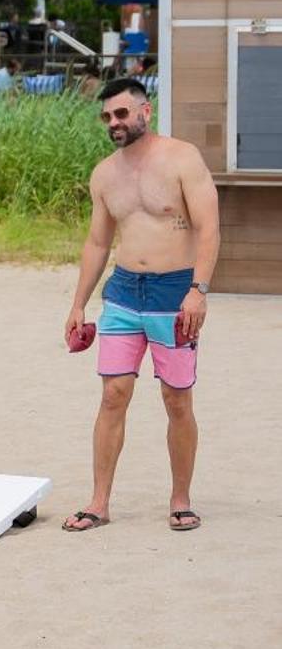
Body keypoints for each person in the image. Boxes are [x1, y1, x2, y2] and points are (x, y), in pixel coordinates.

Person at [62, 77, 220, 534]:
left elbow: (209, 228)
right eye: (107, 116)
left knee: (176, 400)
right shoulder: (104, 174)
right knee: (113, 396)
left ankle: (180, 498)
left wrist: (199, 290)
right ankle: (99, 502)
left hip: (175, 293)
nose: (114, 122)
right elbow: (97, 243)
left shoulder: (182, 158)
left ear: (145, 112)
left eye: (122, 114)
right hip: (123, 293)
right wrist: (78, 304)